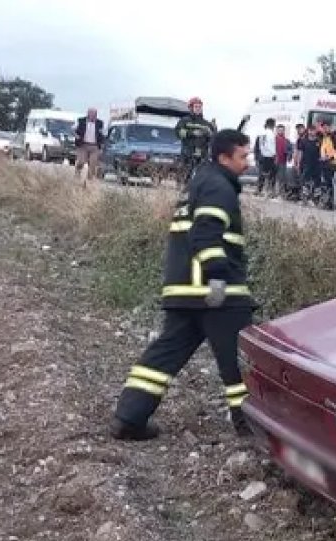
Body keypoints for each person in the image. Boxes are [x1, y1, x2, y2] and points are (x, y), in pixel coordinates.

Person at [111, 129, 255, 441]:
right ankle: (250, 427)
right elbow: (206, 233)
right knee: (240, 362)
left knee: (164, 356)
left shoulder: (199, 183)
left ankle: (129, 417)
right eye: (243, 156)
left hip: (183, 290)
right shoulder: (218, 187)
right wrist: (217, 278)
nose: (248, 163)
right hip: (214, 293)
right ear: (224, 158)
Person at [175, 97, 216, 183]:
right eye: (196, 107)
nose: (198, 109)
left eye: (200, 107)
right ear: (191, 108)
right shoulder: (185, 121)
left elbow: (213, 138)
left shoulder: (207, 124)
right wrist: (192, 133)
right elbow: (178, 132)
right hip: (188, 154)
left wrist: (212, 132)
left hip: (202, 155)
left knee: (201, 178)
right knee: (184, 178)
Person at [73, 108, 105, 184]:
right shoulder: (81, 121)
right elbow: (73, 129)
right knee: (81, 161)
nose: (93, 116)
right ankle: (77, 173)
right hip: (83, 145)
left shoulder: (100, 123)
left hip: (94, 146)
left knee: (93, 164)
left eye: (95, 114)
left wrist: (101, 145)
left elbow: (102, 134)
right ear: (88, 114)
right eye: (92, 114)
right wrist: (76, 136)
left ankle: (89, 180)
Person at [297, 125, 323, 204]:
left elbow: (322, 153)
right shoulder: (303, 141)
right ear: (308, 131)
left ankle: (316, 200)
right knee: (305, 182)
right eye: (310, 130)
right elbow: (300, 153)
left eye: (313, 130)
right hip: (306, 165)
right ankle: (305, 199)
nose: (312, 132)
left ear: (315, 131)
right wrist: (298, 163)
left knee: (317, 183)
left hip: (316, 165)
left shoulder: (319, 142)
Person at [319, 127, 336, 210]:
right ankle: (328, 202)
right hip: (326, 164)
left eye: (326, 128)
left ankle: (333, 203)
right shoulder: (325, 138)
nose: (324, 130)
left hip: (333, 164)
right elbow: (323, 150)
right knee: (327, 184)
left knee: (332, 184)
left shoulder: (334, 137)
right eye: (323, 128)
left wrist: (327, 158)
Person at [254, 118, 277, 196]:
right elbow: (271, 146)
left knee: (262, 174)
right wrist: (274, 155)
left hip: (262, 156)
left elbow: (258, 146)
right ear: (272, 125)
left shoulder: (261, 134)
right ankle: (269, 191)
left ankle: (259, 190)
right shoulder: (271, 134)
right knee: (271, 175)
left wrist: (257, 157)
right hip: (269, 156)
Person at [272, 124, 292, 200]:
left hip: (282, 162)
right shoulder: (273, 140)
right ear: (277, 130)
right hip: (273, 162)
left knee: (282, 178)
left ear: (284, 131)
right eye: (279, 130)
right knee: (272, 178)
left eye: (282, 130)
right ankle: (272, 193)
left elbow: (290, 150)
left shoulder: (287, 141)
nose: (280, 131)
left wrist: (289, 156)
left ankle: (280, 194)